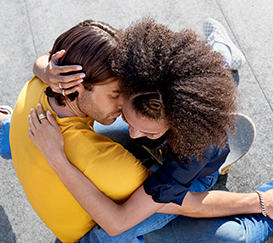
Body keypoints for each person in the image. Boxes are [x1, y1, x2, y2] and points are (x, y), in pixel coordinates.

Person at [27, 18, 273, 243]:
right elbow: (58, 61)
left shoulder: (188, 157)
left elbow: (187, 206)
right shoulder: (138, 79)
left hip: (189, 174)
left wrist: (57, 159)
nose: (132, 134)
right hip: (171, 141)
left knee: (110, 233)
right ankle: (221, 51)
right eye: (126, 116)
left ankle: (224, 53)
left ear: (176, 124)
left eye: (150, 132)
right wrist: (47, 71)